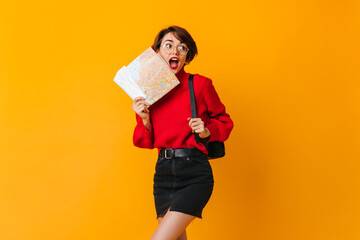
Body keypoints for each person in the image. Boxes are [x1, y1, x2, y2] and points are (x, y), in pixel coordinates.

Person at [132, 26, 234, 240]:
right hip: (163, 174)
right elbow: (144, 141)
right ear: (157, 52)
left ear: (187, 56)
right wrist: (144, 119)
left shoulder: (199, 84)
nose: (174, 52)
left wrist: (206, 130)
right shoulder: (148, 91)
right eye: (168, 45)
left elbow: (225, 122)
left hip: (194, 172)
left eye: (182, 47)